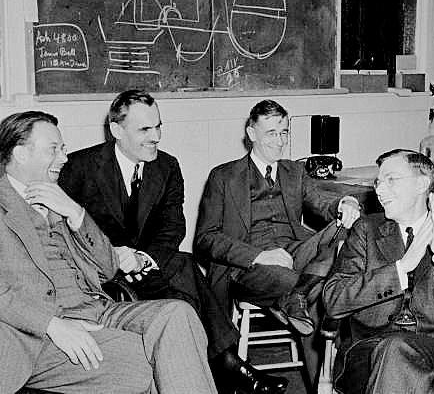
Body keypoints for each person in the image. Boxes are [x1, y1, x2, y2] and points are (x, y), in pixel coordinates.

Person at [59, 90, 281, 394]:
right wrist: (113, 256)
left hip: (146, 266)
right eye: (145, 129)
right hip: (99, 272)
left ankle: (212, 366)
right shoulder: (78, 167)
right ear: (116, 130)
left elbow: (173, 227)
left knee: (183, 273)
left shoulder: (167, 166)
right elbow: (62, 234)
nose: (156, 137)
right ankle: (224, 365)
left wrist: (143, 259)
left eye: (158, 126)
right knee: (184, 279)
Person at [0, 111, 217, 394]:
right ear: (20, 154)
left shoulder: (59, 197)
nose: (64, 158)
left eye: (63, 148)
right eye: (54, 149)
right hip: (37, 335)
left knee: (178, 315)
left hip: (97, 311)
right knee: (152, 358)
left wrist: (76, 214)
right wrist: (52, 324)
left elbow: (108, 268)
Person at [194, 100, 361, 382]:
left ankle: (296, 297)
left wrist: (344, 203)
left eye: (284, 132)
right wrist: (259, 256)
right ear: (251, 133)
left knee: (344, 228)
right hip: (249, 266)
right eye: (271, 133)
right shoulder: (223, 176)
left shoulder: (294, 171)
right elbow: (205, 238)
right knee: (318, 292)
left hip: (296, 252)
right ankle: (323, 383)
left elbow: (321, 202)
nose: (280, 141)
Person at [323, 149, 434, 394]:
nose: (379, 189)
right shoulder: (366, 230)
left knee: (398, 351)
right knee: (396, 351)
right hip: (370, 353)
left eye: (391, 180)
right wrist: (401, 268)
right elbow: (334, 299)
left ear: (422, 184)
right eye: (378, 182)